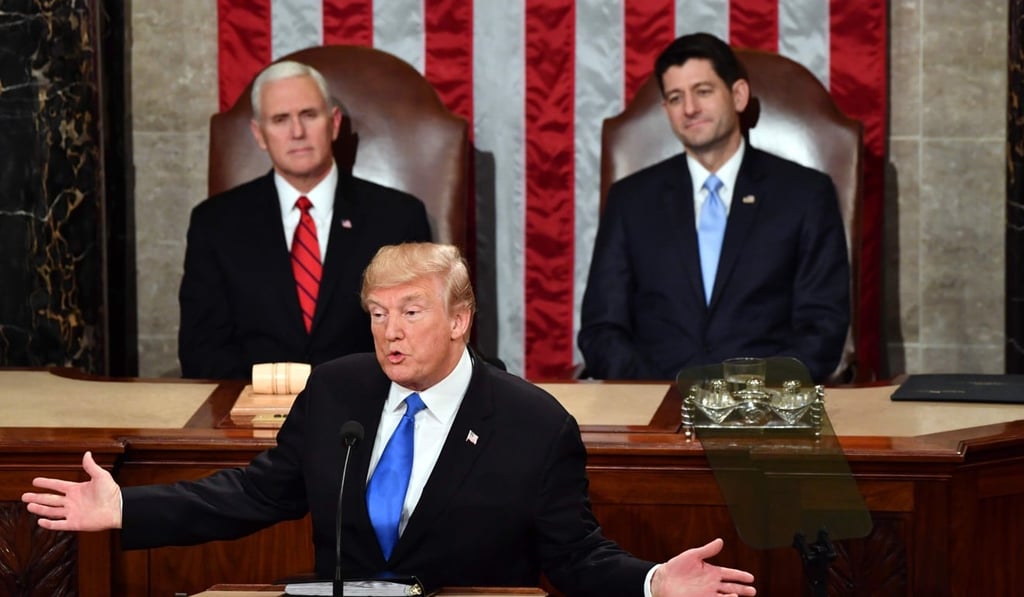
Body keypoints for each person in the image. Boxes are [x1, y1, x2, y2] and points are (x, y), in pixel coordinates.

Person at [24, 243, 756, 597]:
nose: (389, 331)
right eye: (378, 313)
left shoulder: (533, 425)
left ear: (462, 319)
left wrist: (656, 582)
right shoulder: (339, 389)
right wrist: (128, 507)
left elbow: (574, 555)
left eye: (411, 311)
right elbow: (258, 492)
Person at [579, 32, 849, 383]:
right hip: (654, 411)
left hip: (765, 411)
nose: (690, 108)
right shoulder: (630, 200)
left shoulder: (805, 195)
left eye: (703, 91)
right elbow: (602, 329)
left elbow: (822, 328)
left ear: (738, 95)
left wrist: (751, 397)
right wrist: (657, 394)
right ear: (666, 110)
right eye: (676, 98)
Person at [178, 60, 431, 380]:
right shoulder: (214, 223)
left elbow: (419, 339)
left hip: (367, 410)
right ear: (259, 134)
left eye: (309, 115)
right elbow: (201, 350)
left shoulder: (398, 217)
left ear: (334, 123)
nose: (297, 132)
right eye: (280, 120)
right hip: (248, 411)